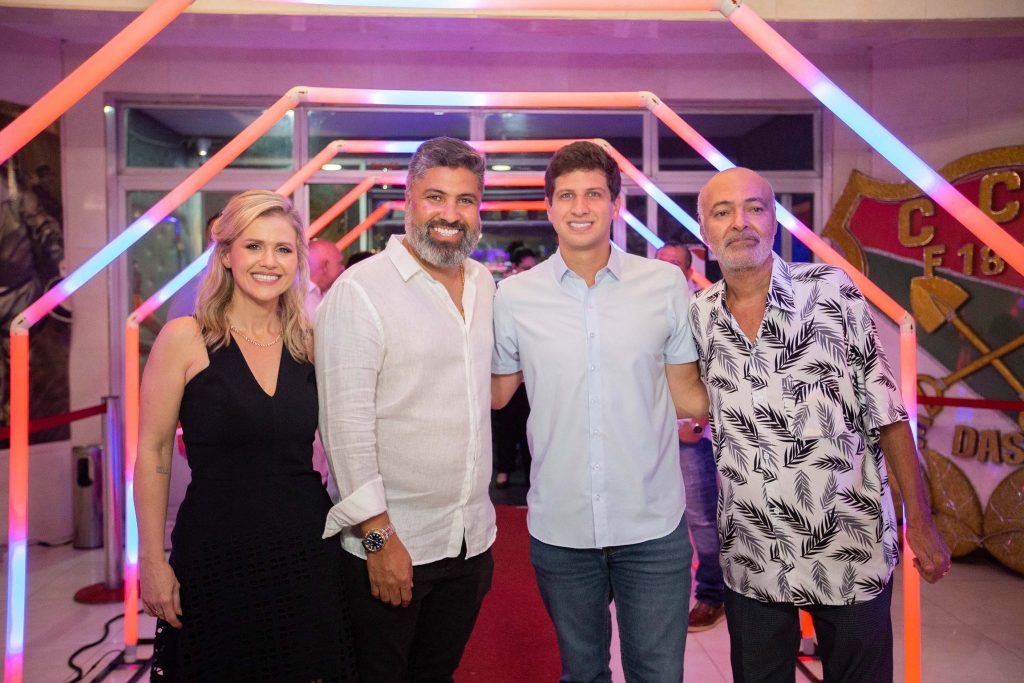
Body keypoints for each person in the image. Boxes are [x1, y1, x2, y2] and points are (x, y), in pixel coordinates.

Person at [690, 167, 952, 682]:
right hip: (753, 551)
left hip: (848, 542)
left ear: (774, 220)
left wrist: (920, 523)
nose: (740, 222)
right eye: (723, 212)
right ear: (705, 230)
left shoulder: (831, 291)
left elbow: (887, 412)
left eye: (755, 208)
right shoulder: (700, 316)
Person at [492, 141, 708, 682]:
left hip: (651, 523)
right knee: (582, 674)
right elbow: (494, 394)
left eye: (593, 194)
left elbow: (687, 394)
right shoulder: (515, 297)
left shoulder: (663, 284)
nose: (580, 207)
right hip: (561, 527)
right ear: (549, 207)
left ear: (615, 205)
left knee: (657, 675)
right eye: (566, 195)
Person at [135, 190, 357, 681]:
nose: (268, 261)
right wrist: (151, 560)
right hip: (215, 550)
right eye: (253, 246)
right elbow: (153, 453)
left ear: (297, 261)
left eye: (283, 249)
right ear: (226, 255)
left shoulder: (310, 342)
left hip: (305, 550)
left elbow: (350, 438)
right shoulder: (185, 339)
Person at [316, 137, 496, 681]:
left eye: (465, 200)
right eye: (435, 197)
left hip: (469, 542)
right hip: (392, 545)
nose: (450, 214)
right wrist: (378, 540)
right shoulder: (361, 290)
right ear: (408, 200)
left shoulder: (484, 283)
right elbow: (344, 430)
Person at [656, 241, 726, 632]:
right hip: (650, 435)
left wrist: (697, 425)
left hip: (689, 435)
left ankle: (712, 596)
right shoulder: (642, 309)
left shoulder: (700, 312)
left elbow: (715, 372)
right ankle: (663, 598)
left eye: (673, 265)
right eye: (660, 264)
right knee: (656, 519)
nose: (665, 271)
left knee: (701, 519)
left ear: (687, 272)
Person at [492, 243, 538, 490]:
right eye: (526, 268)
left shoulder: (543, 295)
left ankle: (533, 474)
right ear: (515, 268)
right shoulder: (504, 293)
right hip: (507, 371)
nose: (530, 273)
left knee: (531, 425)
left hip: (533, 375)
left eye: (533, 268)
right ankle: (504, 470)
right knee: (506, 425)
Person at [305, 238, 345, 321]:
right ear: (325, 266)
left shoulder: (330, 292)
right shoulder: (297, 299)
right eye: (339, 263)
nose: (343, 268)